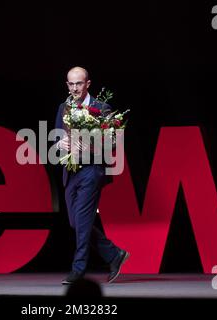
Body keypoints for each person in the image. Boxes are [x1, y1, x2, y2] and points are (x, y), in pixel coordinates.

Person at [54, 66, 129, 285]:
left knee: (83, 220)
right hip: (70, 172)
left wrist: (90, 144)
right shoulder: (63, 107)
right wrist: (61, 142)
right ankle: (114, 254)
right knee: (76, 223)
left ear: (88, 84)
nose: (74, 88)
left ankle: (78, 270)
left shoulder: (102, 108)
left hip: (91, 171)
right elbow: (56, 140)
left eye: (79, 83)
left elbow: (113, 142)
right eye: (71, 84)